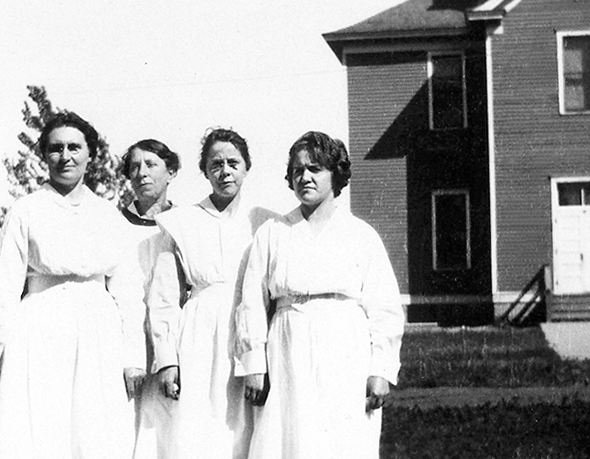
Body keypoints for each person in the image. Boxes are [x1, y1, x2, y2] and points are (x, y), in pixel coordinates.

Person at [0, 111, 145, 459]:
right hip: (40, 330)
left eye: (74, 147)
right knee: (42, 429)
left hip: (100, 331)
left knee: (96, 431)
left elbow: (129, 292)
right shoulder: (25, 211)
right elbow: (2, 288)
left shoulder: (108, 215)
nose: (65, 156)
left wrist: (133, 357)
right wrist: (0, 356)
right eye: (56, 148)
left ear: (90, 154)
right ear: (44, 155)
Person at [235, 131, 405, 459]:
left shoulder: (360, 235)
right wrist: (254, 363)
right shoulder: (273, 233)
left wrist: (380, 370)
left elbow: (385, 308)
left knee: (342, 440)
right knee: (286, 439)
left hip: (345, 352)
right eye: (297, 170)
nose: (305, 177)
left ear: (335, 173)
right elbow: (252, 303)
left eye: (315, 168)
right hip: (287, 349)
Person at [147, 128, 274, 459]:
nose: (225, 171)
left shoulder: (266, 222)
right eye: (215, 164)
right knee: (198, 427)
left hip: (252, 334)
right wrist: (167, 360)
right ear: (204, 171)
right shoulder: (181, 223)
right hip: (199, 336)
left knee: (249, 428)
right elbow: (163, 297)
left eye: (233, 162)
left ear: (247, 167)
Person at [118, 139, 181, 458]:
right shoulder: (113, 224)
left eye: (151, 164)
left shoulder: (184, 226)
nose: (141, 173)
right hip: (120, 347)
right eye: (134, 167)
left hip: (170, 347)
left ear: (171, 172)